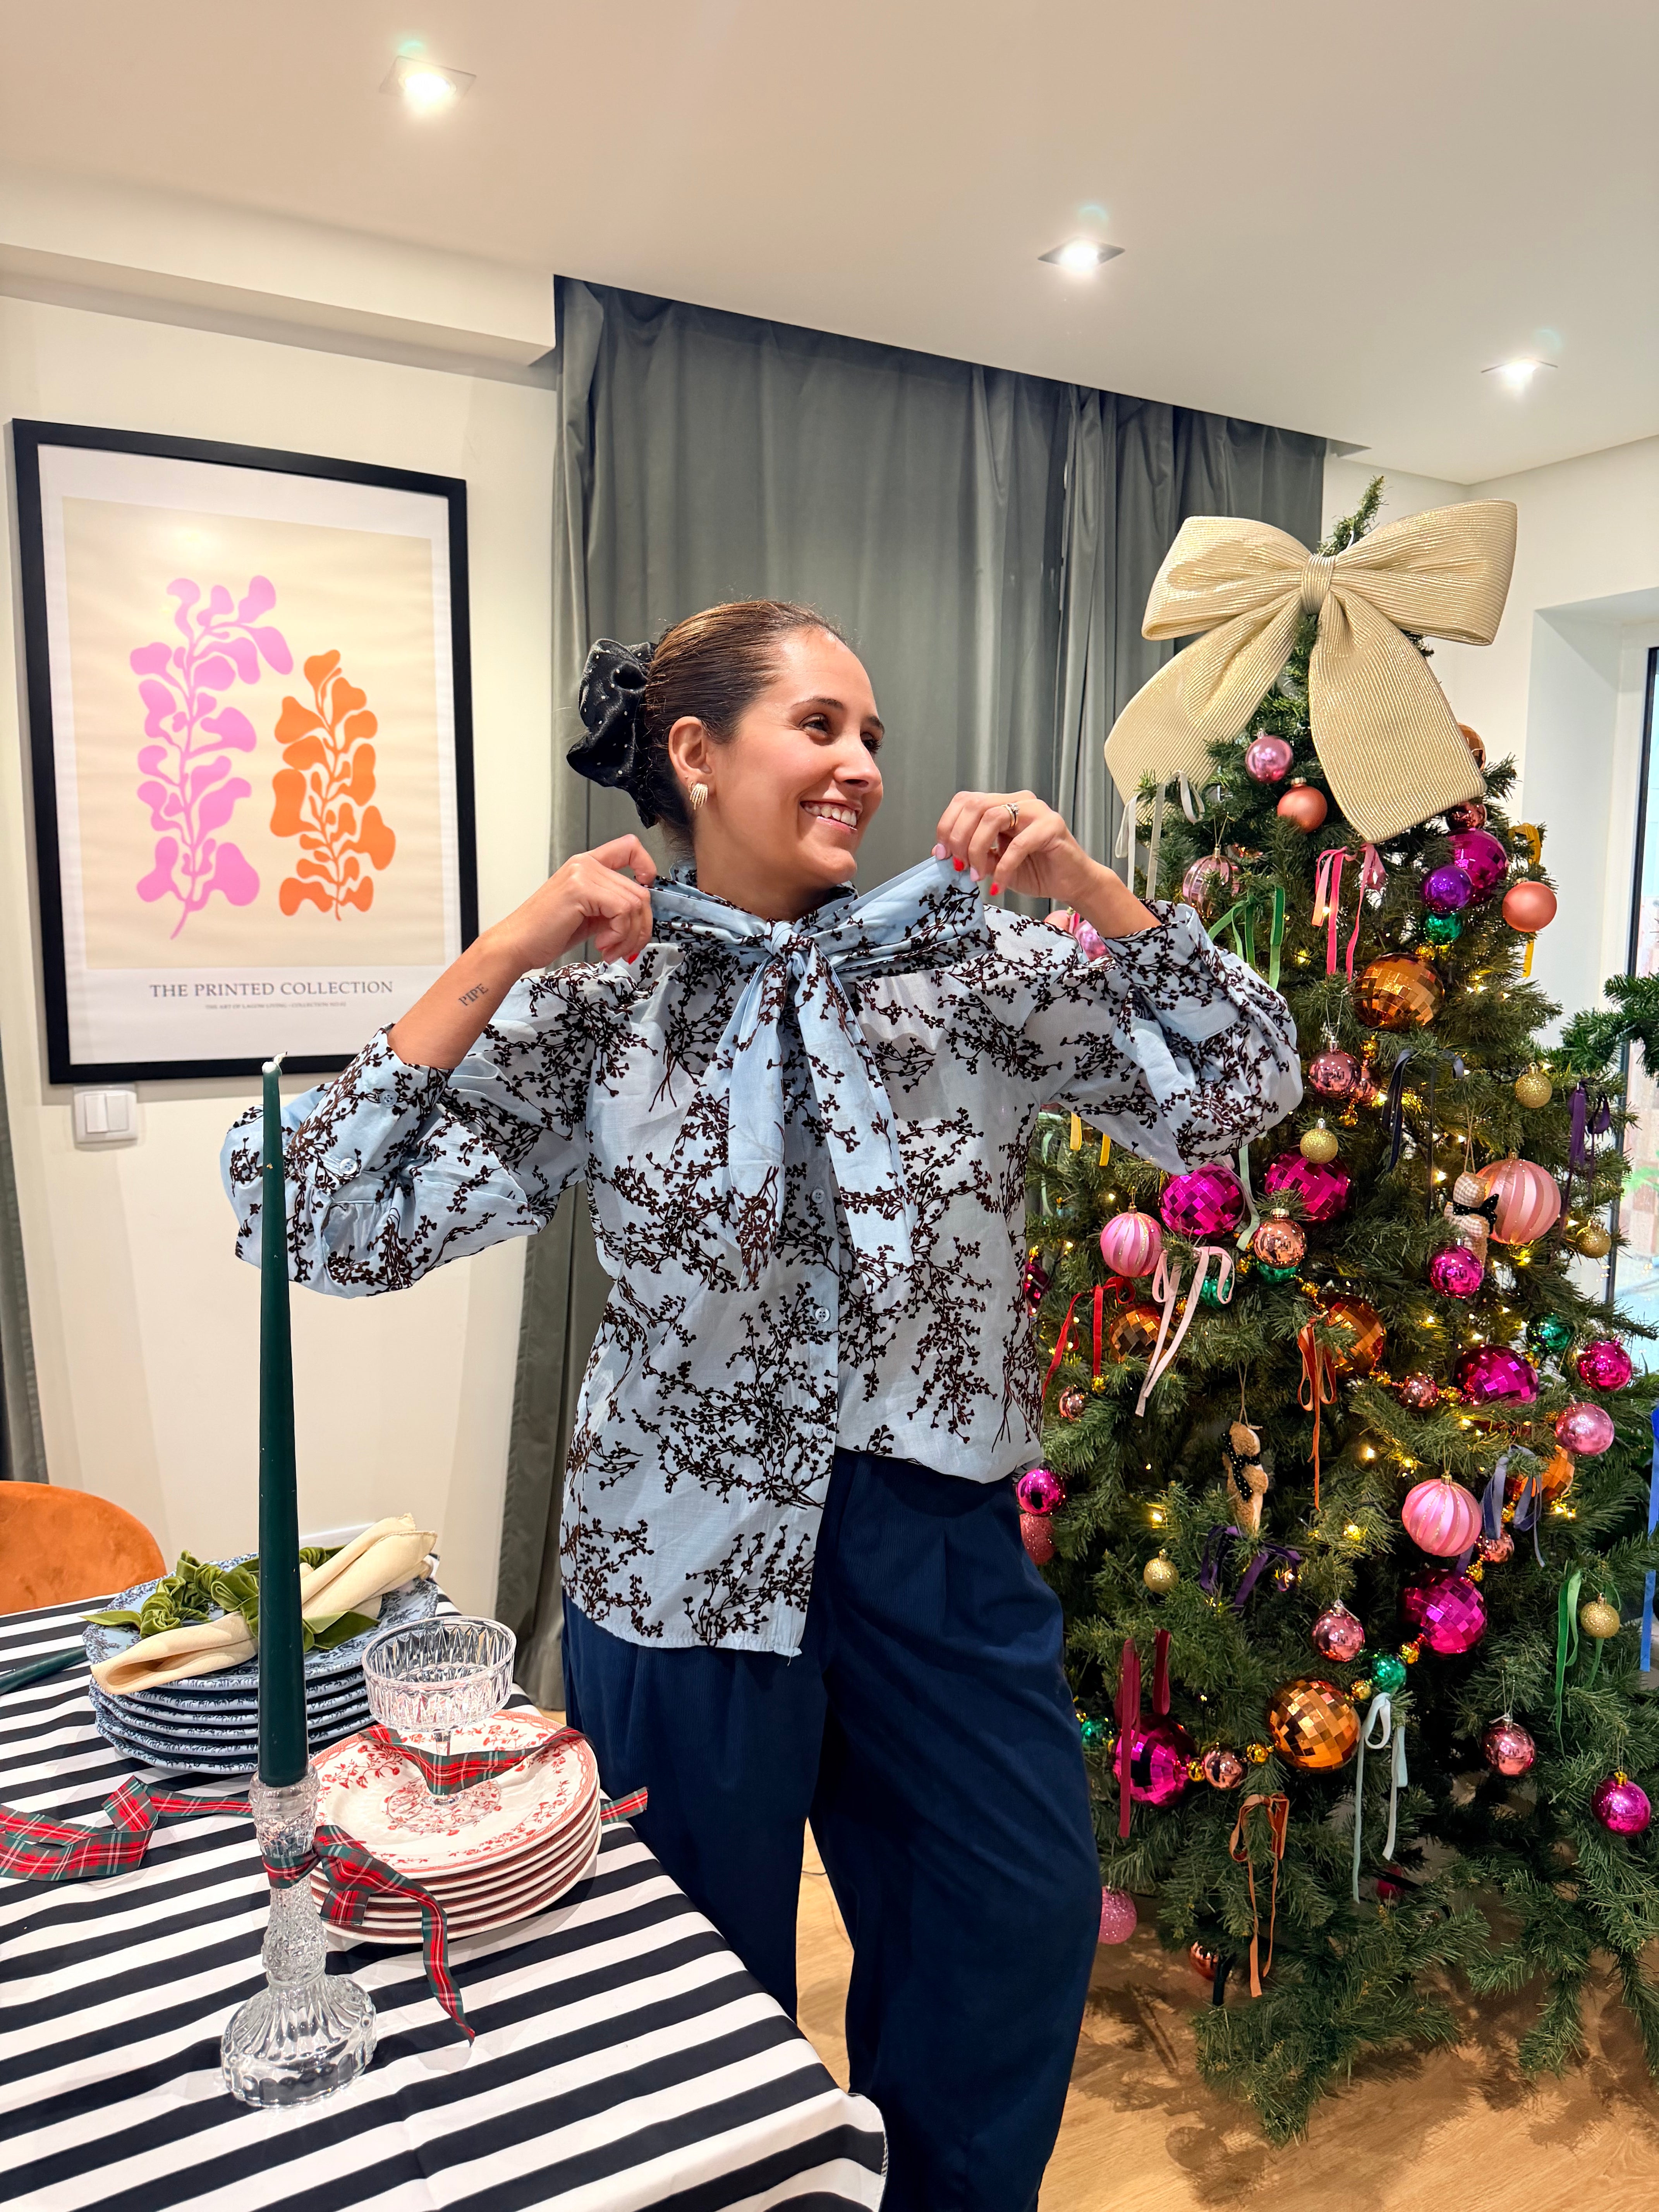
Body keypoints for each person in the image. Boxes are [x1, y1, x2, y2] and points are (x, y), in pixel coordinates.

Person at [222, 598, 1301, 2209]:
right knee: (691, 1986)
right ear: (694, 753)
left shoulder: (973, 966)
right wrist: (504, 950)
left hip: (938, 1535)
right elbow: (311, 1219)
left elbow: (1244, 1091)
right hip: (680, 1557)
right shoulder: (601, 994)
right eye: (820, 726)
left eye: (873, 735)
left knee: (1008, 1922)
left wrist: (1090, 889)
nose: (863, 764)